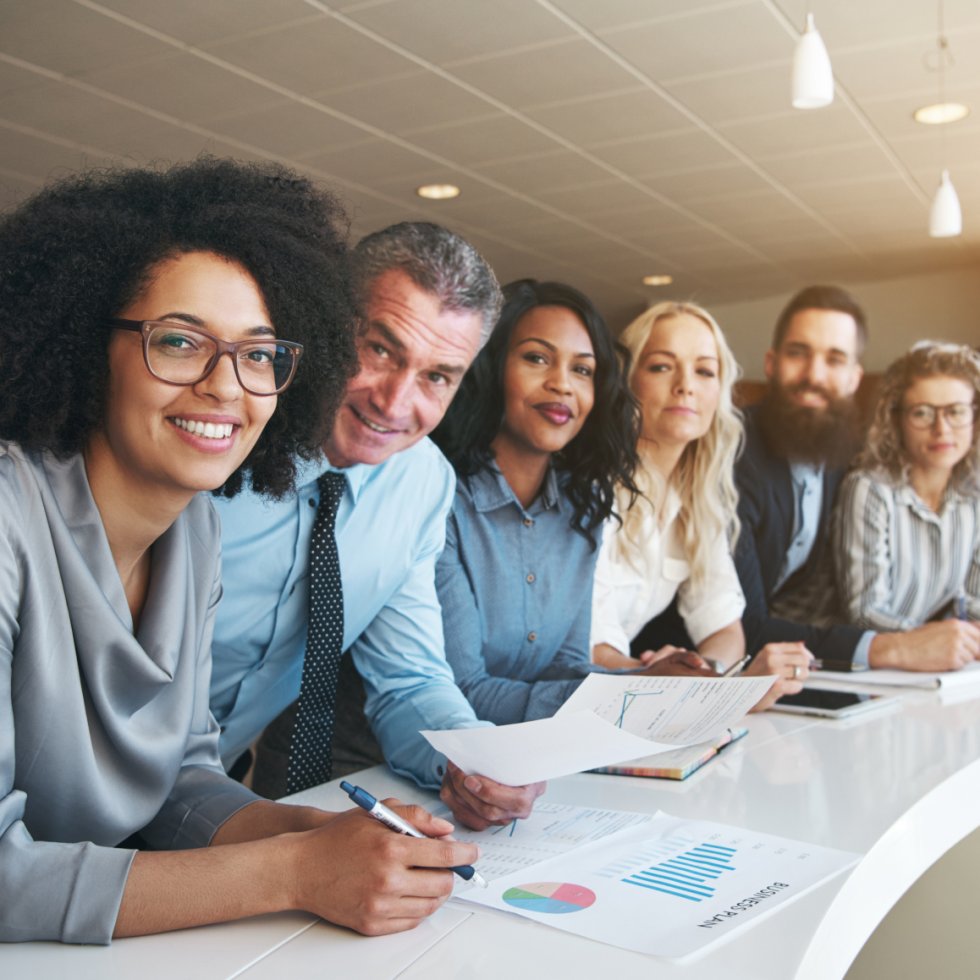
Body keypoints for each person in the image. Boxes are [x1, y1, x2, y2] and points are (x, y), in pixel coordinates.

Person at [0, 160, 479, 945]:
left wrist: (311, 835)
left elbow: (180, 779)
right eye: (181, 341)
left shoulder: (192, 529)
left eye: (258, 355)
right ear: (88, 345)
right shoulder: (8, 517)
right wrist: (293, 872)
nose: (227, 386)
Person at [210, 222, 544, 831]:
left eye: (437, 376)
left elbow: (409, 677)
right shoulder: (216, 436)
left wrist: (472, 760)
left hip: (210, 792)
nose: (393, 404)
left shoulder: (421, 484)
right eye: (381, 350)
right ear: (328, 322)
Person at [431, 279, 645, 723]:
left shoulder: (583, 507)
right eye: (536, 358)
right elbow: (461, 689)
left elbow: (563, 666)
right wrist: (619, 702)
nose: (562, 384)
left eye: (582, 370)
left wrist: (650, 682)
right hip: (393, 766)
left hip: (518, 756)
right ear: (490, 368)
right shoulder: (440, 496)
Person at [734, 285, 979, 670]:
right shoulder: (735, 454)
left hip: (820, 661)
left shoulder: (836, 453)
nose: (814, 374)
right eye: (799, 353)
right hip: (746, 663)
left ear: (854, 378)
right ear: (770, 363)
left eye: (834, 359)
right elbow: (742, 623)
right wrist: (916, 645)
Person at [590, 301, 811, 709]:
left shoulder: (697, 498)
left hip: (631, 701)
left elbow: (727, 631)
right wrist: (687, 683)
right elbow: (588, 650)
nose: (686, 385)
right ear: (626, 381)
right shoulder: (591, 489)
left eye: (705, 371)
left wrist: (702, 670)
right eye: (661, 366)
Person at [833, 342, 980, 660]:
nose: (942, 429)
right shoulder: (869, 489)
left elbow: (972, 605)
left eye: (955, 412)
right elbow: (864, 611)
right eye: (922, 413)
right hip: (852, 665)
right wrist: (933, 642)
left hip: (929, 666)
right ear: (896, 420)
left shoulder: (974, 494)